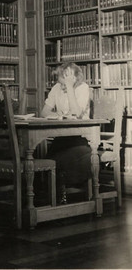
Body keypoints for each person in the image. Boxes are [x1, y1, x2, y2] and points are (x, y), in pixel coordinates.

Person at [41, 62, 91, 204]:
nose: (62, 86)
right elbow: (44, 112)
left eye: (66, 81)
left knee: (61, 160)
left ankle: (60, 194)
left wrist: (69, 87)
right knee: (49, 158)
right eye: (61, 82)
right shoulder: (57, 87)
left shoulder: (83, 88)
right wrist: (58, 115)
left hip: (79, 138)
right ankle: (53, 195)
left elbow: (76, 112)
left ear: (75, 78)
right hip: (62, 138)